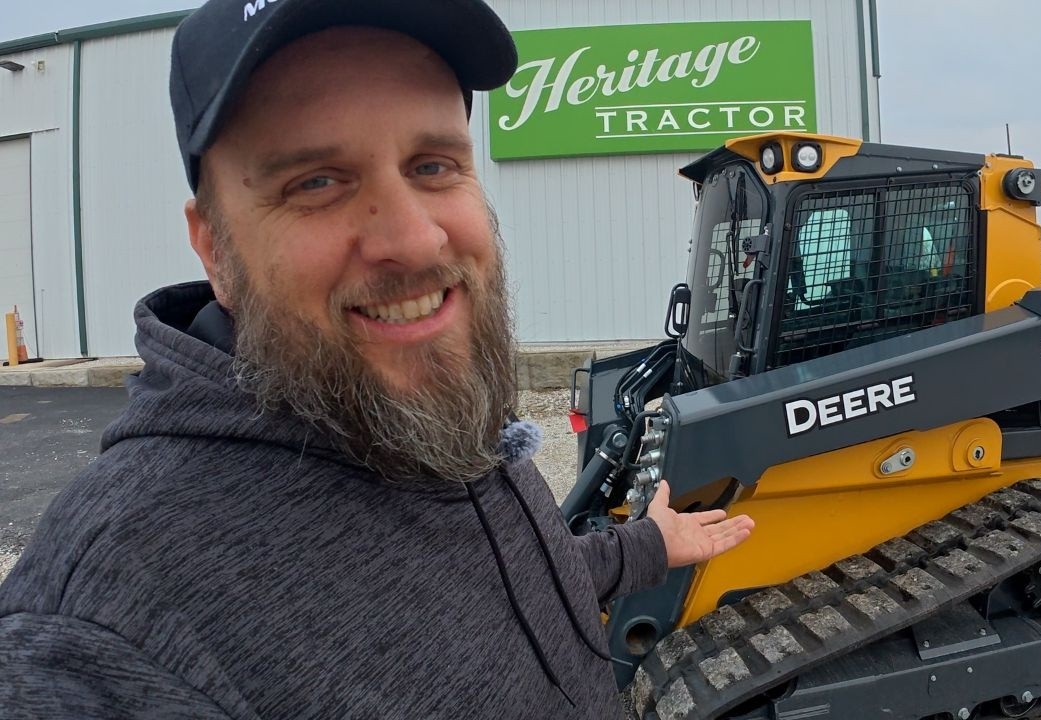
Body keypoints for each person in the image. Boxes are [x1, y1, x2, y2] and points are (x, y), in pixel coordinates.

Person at [0, 0, 754, 717]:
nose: (417, 239)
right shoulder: (102, 629)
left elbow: (518, 576)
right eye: (317, 183)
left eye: (432, 165)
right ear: (214, 250)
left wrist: (653, 544)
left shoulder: (442, 414)